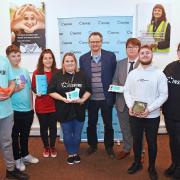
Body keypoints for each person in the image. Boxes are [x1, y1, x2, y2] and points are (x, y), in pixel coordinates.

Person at [124, 45, 168, 180]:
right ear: (139, 55)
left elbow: (164, 95)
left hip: (152, 116)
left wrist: (149, 109)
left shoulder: (159, 74)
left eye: (147, 52)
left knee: (152, 142)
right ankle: (137, 163)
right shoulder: (132, 74)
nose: (144, 55)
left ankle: (151, 167)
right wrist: (130, 106)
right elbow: (127, 91)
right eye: (142, 53)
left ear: (151, 55)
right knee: (137, 141)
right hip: (135, 115)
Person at [48, 52, 91, 165]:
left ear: (75, 62)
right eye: (67, 61)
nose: (69, 63)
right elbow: (51, 91)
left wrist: (82, 100)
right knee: (67, 133)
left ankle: (75, 152)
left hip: (79, 109)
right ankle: (71, 153)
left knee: (77, 134)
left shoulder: (82, 74)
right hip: (63, 109)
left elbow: (89, 90)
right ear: (63, 63)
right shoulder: (57, 75)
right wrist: (62, 99)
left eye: (72, 61)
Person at [79, 32, 116, 158]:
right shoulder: (83, 58)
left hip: (106, 98)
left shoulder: (110, 56)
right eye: (92, 42)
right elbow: (83, 80)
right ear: (89, 43)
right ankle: (92, 145)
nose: (95, 44)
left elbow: (114, 76)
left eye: (97, 41)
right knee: (91, 124)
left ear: (101, 42)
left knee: (108, 124)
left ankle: (109, 147)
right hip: (91, 99)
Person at [6, 45, 39, 172]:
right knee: (14, 136)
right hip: (14, 110)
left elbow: (29, 89)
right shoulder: (6, 72)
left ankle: (25, 155)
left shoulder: (24, 70)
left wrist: (31, 107)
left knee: (25, 134)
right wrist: (14, 90)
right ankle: (17, 158)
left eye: (18, 55)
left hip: (27, 110)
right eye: (13, 56)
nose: (16, 58)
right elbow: (4, 92)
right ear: (8, 57)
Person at [113, 38, 145, 161]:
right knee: (125, 128)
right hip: (121, 102)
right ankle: (126, 148)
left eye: (134, 47)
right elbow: (115, 79)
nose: (131, 49)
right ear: (126, 49)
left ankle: (140, 152)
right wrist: (116, 86)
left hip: (138, 103)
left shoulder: (144, 63)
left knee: (139, 130)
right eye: (129, 47)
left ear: (139, 49)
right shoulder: (120, 63)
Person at [0, 55, 29, 179]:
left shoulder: (4, 60)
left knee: (7, 142)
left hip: (6, 111)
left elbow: (12, 81)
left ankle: (10, 170)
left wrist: (9, 91)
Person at [32, 49, 58, 158]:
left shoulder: (58, 72)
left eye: (50, 58)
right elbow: (33, 87)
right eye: (45, 58)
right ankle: (46, 147)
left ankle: (52, 146)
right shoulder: (36, 73)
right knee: (43, 127)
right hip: (41, 105)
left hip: (54, 105)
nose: (48, 60)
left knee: (53, 127)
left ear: (53, 59)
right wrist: (36, 92)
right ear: (42, 60)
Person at [162, 43, 180, 180]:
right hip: (169, 113)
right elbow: (161, 87)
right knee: (173, 141)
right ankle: (174, 163)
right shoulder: (170, 67)